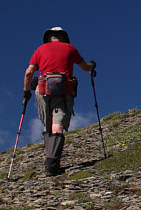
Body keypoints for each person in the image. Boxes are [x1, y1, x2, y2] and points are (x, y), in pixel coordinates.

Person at [23, 27, 96, 176]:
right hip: (63, 90)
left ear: (49, 37)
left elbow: (29, 72)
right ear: (63, 37)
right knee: (58, 126)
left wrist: (26, 91)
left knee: (47, 126)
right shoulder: (70, 49)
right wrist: (92, 66)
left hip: (42, 89)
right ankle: (52, 166)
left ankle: (48, 160)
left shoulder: (40, 50)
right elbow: (85, 67)